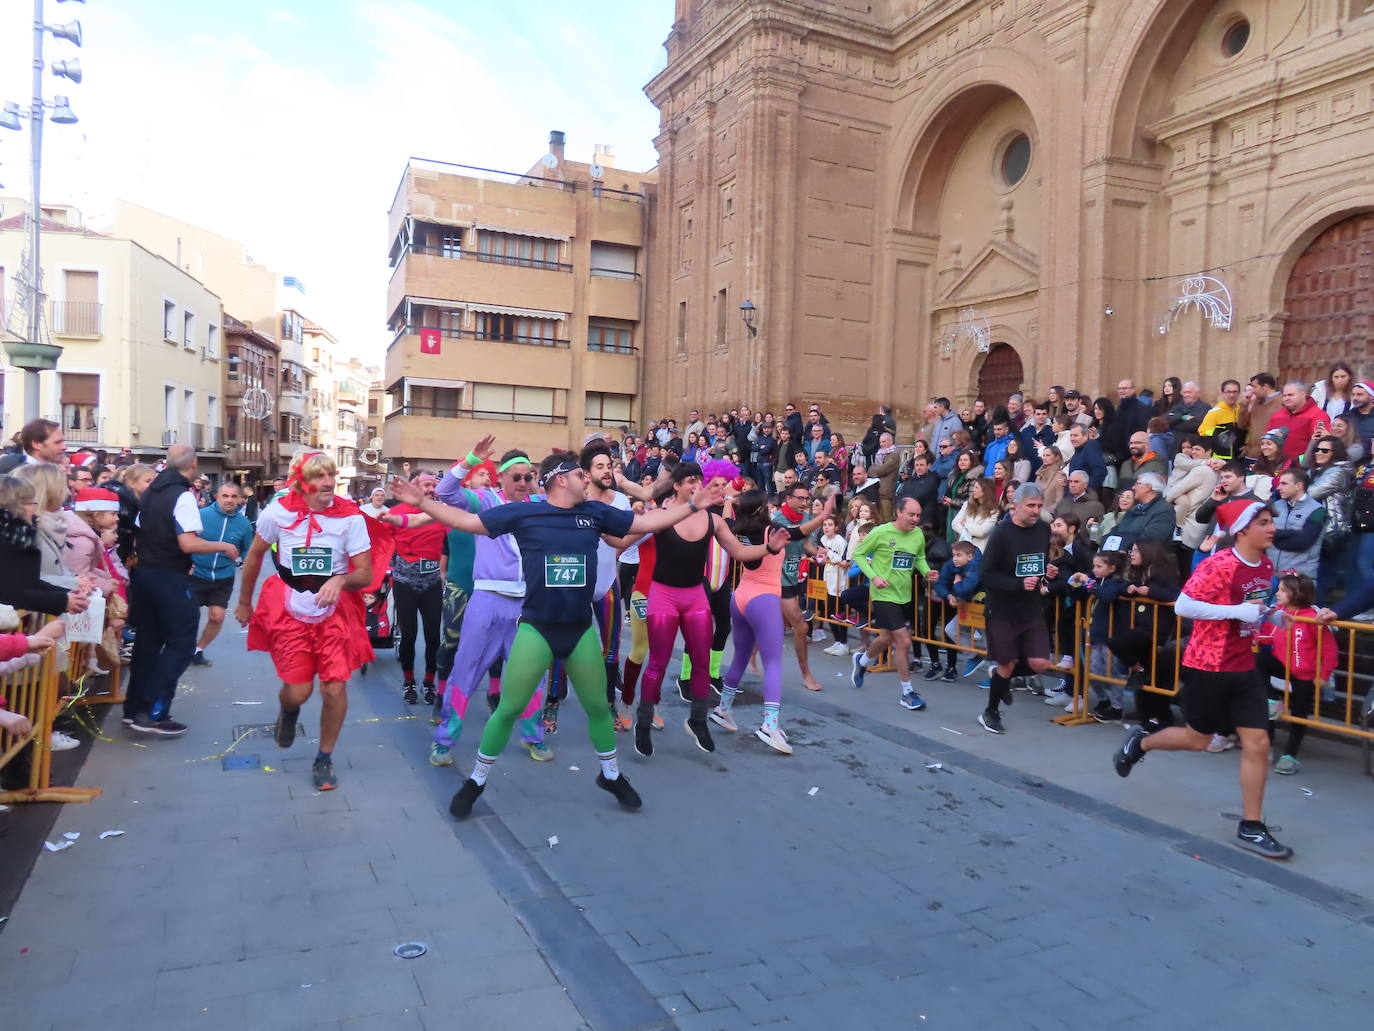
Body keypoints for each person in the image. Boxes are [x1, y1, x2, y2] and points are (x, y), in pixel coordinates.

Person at [394, 453, 725, 819]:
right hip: (537, 629)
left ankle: (611, 775)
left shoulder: (596, 514)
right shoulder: (525, 513)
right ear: (561, 479)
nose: (589, 480)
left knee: (598, 708)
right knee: (508, 709)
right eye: (582, 474)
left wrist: (694, 504)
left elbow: (647, 520)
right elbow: (468, 522)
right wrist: (422, 502)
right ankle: (476, 780)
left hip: (581, 629)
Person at [1113, 499, 1292, 860]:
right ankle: (1141, 744)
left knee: (1257, 743)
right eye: (1264, 521)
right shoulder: (1220, 564)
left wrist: (1272, 616)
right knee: (1197, 740)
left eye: (1272, 520)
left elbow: (1253, 606)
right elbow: (1184, 606)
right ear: (1242, 529)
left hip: (1244, 665)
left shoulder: (1267, 565)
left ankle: (1251, 826)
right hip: (1208, 665)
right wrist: (1236, 611)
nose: (1272, 527)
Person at [235, 451, 375, 790]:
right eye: (319, 477)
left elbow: (365, 572)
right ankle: (289, 711)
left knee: (334, 686)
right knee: (298, 692)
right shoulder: (278, 512)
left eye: (331, 475)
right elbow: (254, 555)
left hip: (335, 614)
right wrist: (243, 602)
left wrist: (341, 581)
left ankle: (324, 757)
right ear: (302, 482)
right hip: (290, 609)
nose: (328, 483)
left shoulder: (350, 518)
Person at [636, 462, 773, 758]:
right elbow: (623, 540)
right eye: (690, 481)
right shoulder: (659, 515)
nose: (696, 485)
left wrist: (769, 548)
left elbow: (739, 552)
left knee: (701, 659)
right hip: (663, 595)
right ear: (676, 485)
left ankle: (698, 720)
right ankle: (643, 722)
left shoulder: (713, 520)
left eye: (700, 480)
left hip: (694, 596)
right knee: (658, 663)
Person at [427, 442, 551, 765]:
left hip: (526, 607)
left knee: (533, 673)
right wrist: (470, 459)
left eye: (528, 477)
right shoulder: (485, 500)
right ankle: (445, 740)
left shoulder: (539, 503)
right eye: (517, 477)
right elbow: (444, 490)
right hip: (487, 602)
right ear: (502, 479)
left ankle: (533, 736)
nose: (523, 483)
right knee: (465, 670)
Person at [123, 445, 238, 737]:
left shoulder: (150, 493)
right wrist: (223, 546)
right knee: (181, 643)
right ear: (194, 464)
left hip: (145, 575)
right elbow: (188, 543)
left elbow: (139, 530)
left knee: (148, 641)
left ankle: (134, 707)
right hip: (168, 577)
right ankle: (154, 711)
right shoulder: (182, 495)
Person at [707, 490, 801, 753]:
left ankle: (723, 709)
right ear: (763, 508)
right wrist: (824, 515)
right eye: (768, 504)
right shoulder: (774, 530)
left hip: (741, 596)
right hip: (764, 597)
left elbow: (725, 522)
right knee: (773, 663)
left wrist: (728, 501)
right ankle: (770, 725)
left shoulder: (738, 527)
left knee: (739, 658)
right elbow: (801, 531)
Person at [974, 484, 1055, 734]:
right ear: (1014, 506)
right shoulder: (1001, 534)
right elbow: (986, 575)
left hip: (1031, 609)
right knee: (1007, 663)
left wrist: (1047, 572)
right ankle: (991, 712)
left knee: (1040, 663)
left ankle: (1001, 676)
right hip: (1002, 609)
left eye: (1039, 506)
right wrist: (1018, 584)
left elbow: (1035, 563)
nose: (1035, 511)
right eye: (1031, 506)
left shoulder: (1043, 529)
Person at [849, 497, 940, 710]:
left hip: (904, 595)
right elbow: (859, 555)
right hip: (883, 594)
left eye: (918, 515)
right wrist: (874, 577)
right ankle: (907, 692)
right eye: (911, 514)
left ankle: (862, 662)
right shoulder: (880, 532)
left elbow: (919, 558)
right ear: (899, 512)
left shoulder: (917, 534)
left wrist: (927, 572)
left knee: (886, 637)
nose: (915, 519)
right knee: (903, 641)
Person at [1255, 573, 1336, 776]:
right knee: (1256, 664)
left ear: (1297, 593)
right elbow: (1268, 634)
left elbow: (1329, 649)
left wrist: (1324, 674)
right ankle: (1272, 706)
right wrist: (1257, 639)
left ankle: (1290, 756)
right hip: (1282, 664)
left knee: (1299, 715)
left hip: (1305, 674)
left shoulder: (1313, 618)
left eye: (1282, 590)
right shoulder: (1278, 612)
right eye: (1279, 589)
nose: (1278, 593)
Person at [379, 471, 447, 704]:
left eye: (434, 486)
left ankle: (429, 683)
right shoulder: (396, 513)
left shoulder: (441, 513)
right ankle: (409, 681)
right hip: (405, 581)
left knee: (433, 637)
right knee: (408, 636)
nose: (431, 489)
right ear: (414, 486)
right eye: (427, 485)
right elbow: (381, 545)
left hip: (432, 581)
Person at [774, 481, 837, 694]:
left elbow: (804, 542)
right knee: (800, 626)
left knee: (771, 627)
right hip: (774, 580)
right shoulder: (776, 520)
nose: (803, 502)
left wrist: (817, 552)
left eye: (806, 499)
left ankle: (750, 660)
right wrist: (822, 516)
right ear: (788, 499)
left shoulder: (806, 518)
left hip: (792, 579)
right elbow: (793, 534)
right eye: (799, 498)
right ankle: (806, 674)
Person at [188, 482, 254, 667]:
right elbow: (185, 540)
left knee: (217, 616)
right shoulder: (201, 516)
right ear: (217, 496)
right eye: (225, 496)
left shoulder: (244, 524)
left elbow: (247, 550)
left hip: (223, 576)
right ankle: (181, 647)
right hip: (196, 573)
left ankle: (198, 650)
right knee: (188, 616)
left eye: (234, 496)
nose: (229, 500)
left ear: (240, 499)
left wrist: (241, 559)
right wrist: (186, 561)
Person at [1264, 381, 1324, 461]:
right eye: (1284, 395)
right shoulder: (1277, 415)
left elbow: (1319, 445)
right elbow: (1267, 440)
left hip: (1301, 470)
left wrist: (1300, 462)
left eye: (1290, 395)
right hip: (1275, 466)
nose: (1286, 398)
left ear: (1303, 394)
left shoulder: (1317, 415)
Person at [0, 418, 66, 473]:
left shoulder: (54, 474)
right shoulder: (23, 480)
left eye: (63, 442)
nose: (65, 447)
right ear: (36, 444)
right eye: (57, 442)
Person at [869, 432, 900, 521]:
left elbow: (881, 470)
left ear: (890, 442)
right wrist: (875, 471)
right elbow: (871, 469)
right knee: (878, 519)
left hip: (886, 493)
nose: (881, 444)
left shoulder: (894, 455)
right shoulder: (879, 454)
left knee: (886, 520)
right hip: (877, 491)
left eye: (884, 442)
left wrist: (874, 471)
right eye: (880, 442)